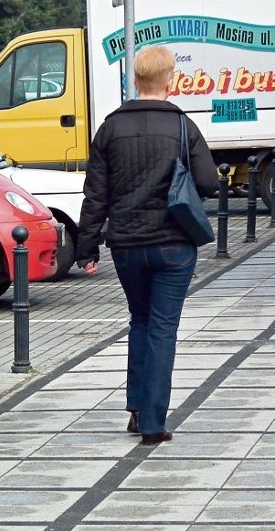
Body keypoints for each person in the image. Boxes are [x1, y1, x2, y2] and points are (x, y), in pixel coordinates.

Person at [75, 45, 218, 445]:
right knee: (162, 327)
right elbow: (207, 182)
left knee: (140, 320)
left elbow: (95, 195)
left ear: (135, 81)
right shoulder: (183, 127)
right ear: (170, 81)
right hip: (174, 244)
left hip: (126, 246)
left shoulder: (109, 128)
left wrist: (86, 249)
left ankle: (137, 410)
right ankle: (153, 421)